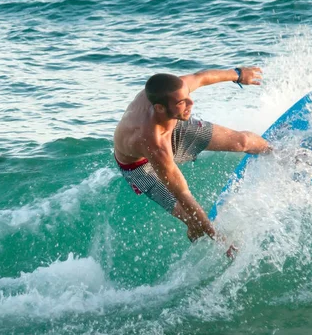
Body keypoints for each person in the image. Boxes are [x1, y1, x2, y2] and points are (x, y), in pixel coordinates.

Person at [113, 67, 271, 256]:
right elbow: (183, 194)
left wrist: (238, 74)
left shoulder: (170, 92)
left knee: (242, 141)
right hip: (139, 166)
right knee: (191, 218)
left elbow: (200, 77)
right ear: (159, 108)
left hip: (173, 128)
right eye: (182, 102)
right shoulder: (153, 142)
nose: (191, 103)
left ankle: (276, 152)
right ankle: (199, 240)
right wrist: (219, 238)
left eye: (187, 97)